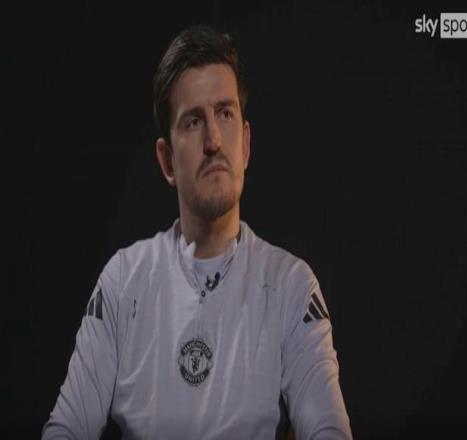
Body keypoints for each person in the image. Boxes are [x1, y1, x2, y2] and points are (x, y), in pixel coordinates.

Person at [42, 25, 353, 440]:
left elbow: (330, 430)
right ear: (167, 160)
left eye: (225, 114)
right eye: (193, 121)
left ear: (246, 144)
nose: (213, 140)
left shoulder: (291, 286)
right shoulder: (122, 282)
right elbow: (65, 428)